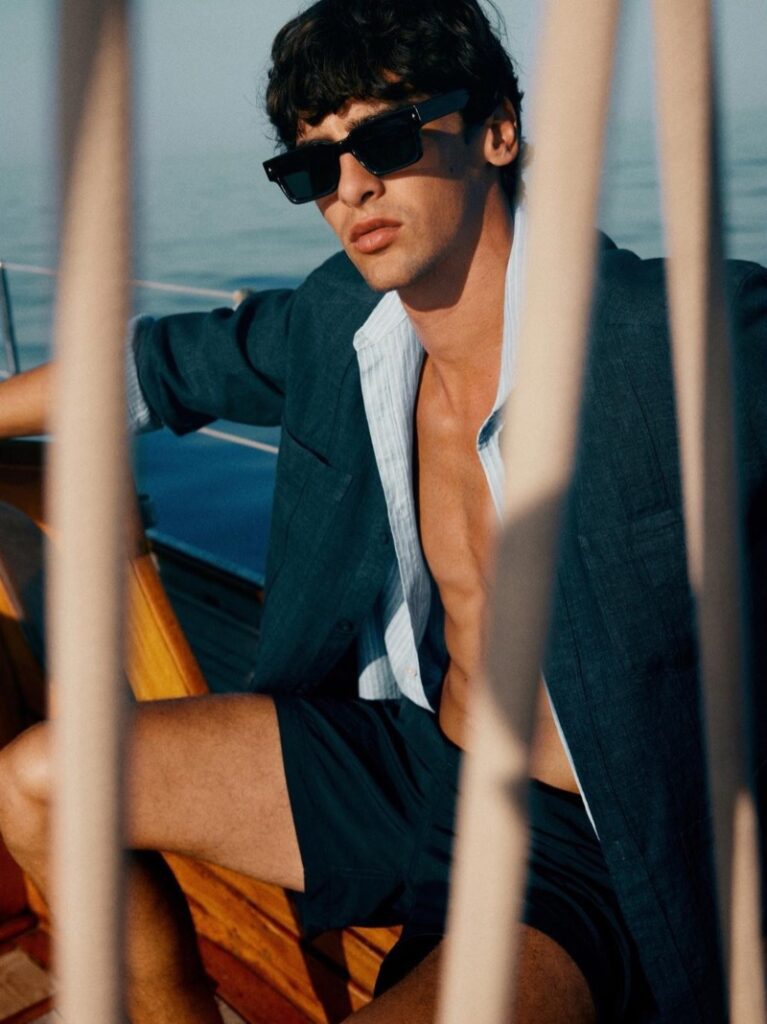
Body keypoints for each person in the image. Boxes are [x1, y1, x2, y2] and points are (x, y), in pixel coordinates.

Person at [0, 0, 765, 1021]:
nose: (351, 185)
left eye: (388, 139)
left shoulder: (678, 341)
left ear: (497, 131)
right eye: (315, 165)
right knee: (38, 782)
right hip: (409, 760)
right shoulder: (343, 321)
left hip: (585, 843)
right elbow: (155, 368)